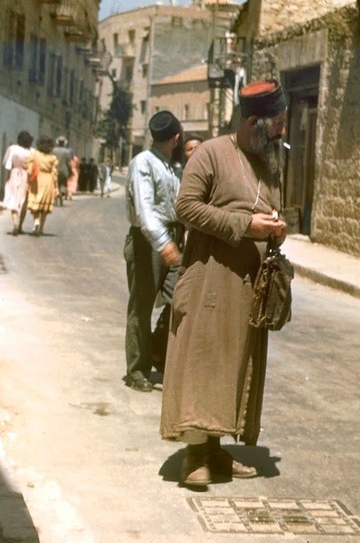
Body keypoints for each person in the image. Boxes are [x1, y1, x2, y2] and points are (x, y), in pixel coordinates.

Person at [159, 80, 288, 487]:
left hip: (250, 285)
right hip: (210, 277)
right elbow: (186, 208)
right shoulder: (212, 153)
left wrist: (275, 230)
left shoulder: (268, 161)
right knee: (205, 360)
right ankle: (194, 455)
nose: (283, 134)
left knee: (234, 366)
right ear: (254, 122)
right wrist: (243, 224)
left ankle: (216, 449)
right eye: (278, 126)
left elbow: (266, 210)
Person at [123, 110, 184, 393]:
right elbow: (145, 211)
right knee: (142, 306)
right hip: (148, 241)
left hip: (171, 238)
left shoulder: (171, 167)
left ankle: (159, 356)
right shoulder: (143, 163)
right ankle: (137, 369)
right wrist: (164, 243)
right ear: (176, 137)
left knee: (176, 300)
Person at [151, 133, 204, 373]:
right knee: (175, 299)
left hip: (202, 247)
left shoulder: (209, 176)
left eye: (197, 148)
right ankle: (158, 348)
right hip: (182, 245)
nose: (193, 153)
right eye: (189, 149)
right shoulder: (178, 175)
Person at [25, 135, 59, 236]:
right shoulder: (53, 158)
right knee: (44, 207)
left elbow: (29, 170)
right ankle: (41, 229)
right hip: (48, 181)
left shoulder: (34, 155)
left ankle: (36, 222)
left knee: (35, 203)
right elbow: (55, 174)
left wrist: (28, 182)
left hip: (37, 180)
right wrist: (56, 187)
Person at [2, 130, 34, 235]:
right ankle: (20, 226)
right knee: (24, 201)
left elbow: (5, 163)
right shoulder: (32, 152)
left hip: (15, 174)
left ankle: (15, 222)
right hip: (27, 176)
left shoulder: (13, 149)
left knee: (14, 199)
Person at [52, 136, 73, 207]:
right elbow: (69, 163)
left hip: (55, 170)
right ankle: (61, 195)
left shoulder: (53, 151)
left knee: (54, 184)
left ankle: (55, 197)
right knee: (63, 184)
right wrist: (70, 171)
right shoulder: (67, 152)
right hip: (64, 171)